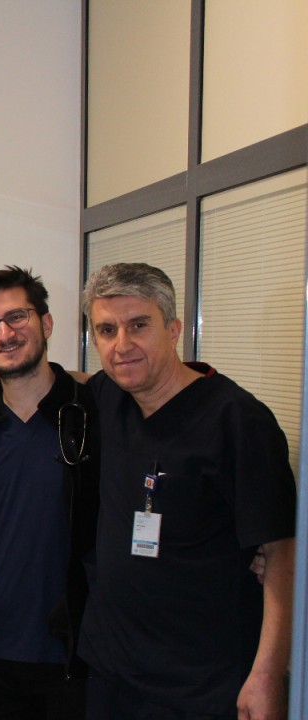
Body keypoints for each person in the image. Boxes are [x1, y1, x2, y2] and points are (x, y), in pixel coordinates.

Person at [75, 263, 295, 720]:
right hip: (112, 672)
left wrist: (268, 675)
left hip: (201, 684)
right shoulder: (109, 397)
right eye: (107, 330)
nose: (122, 345)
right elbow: (52, 380)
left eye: (139, 325)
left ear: (173, 330)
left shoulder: (238, 422)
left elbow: (283, 552)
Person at [0, 266, 98, 720]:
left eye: (17, 317)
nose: (4, 334)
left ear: (46, 323)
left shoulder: (92, 412)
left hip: (72, 657)